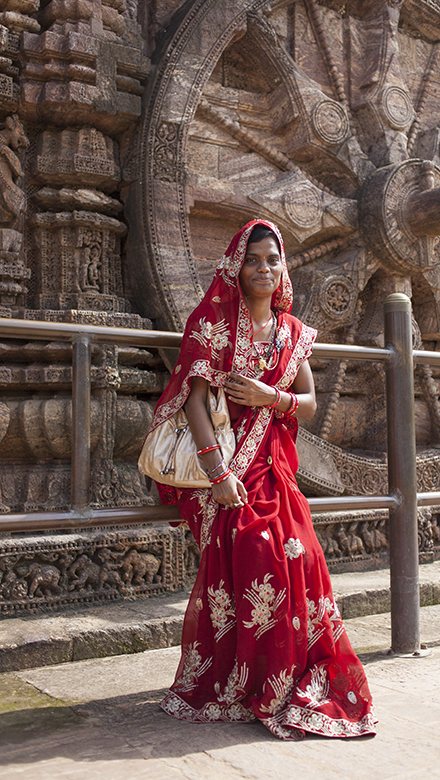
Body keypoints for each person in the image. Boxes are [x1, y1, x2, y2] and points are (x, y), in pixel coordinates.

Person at [149, 219, 376, 741]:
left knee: (304, 556)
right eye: (255, 259)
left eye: (273, 260)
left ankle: (288, 677)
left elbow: (309, 402)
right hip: (227, 466)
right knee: (258, 551)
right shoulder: (213, 324)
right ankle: (246, 679)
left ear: (283, 269)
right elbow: (196, 401)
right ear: (236, 265)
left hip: (274, 464)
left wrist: (268, 397)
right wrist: (218, 472)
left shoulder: (291, 333)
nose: (265, 269)